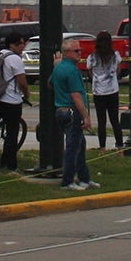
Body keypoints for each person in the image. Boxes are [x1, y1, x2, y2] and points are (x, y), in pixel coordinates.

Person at [52, 36, 95, 190]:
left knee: (79, 144)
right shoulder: (71, 70)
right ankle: (68, 181)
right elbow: (76, 95)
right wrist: (85, 116)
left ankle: (84, 178)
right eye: (76, 51)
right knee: (73, 148)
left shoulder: (58, 67)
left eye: (80, 50)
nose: (80, 53)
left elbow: (51, 83)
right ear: (67, 52)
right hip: (71, 112)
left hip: (60, 111)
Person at [0, 31, 30, 172]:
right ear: (12, 45)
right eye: (20, 43)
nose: (23, 46)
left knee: (8, 129)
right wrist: (26, 95)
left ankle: (4, 160)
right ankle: (11, 164)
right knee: (12, 133)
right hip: (11, 100)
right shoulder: (14, 59)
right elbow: (22, 82)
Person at [86, 31, 123, 150]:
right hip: (113, 91)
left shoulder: (92, 57)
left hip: (98, 92)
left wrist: (97, 80)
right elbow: (118, 70)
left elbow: (90, 72)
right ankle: (120, 147)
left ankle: (102, 147)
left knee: (101, 121)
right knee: (115, 121)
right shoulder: (115, 55)